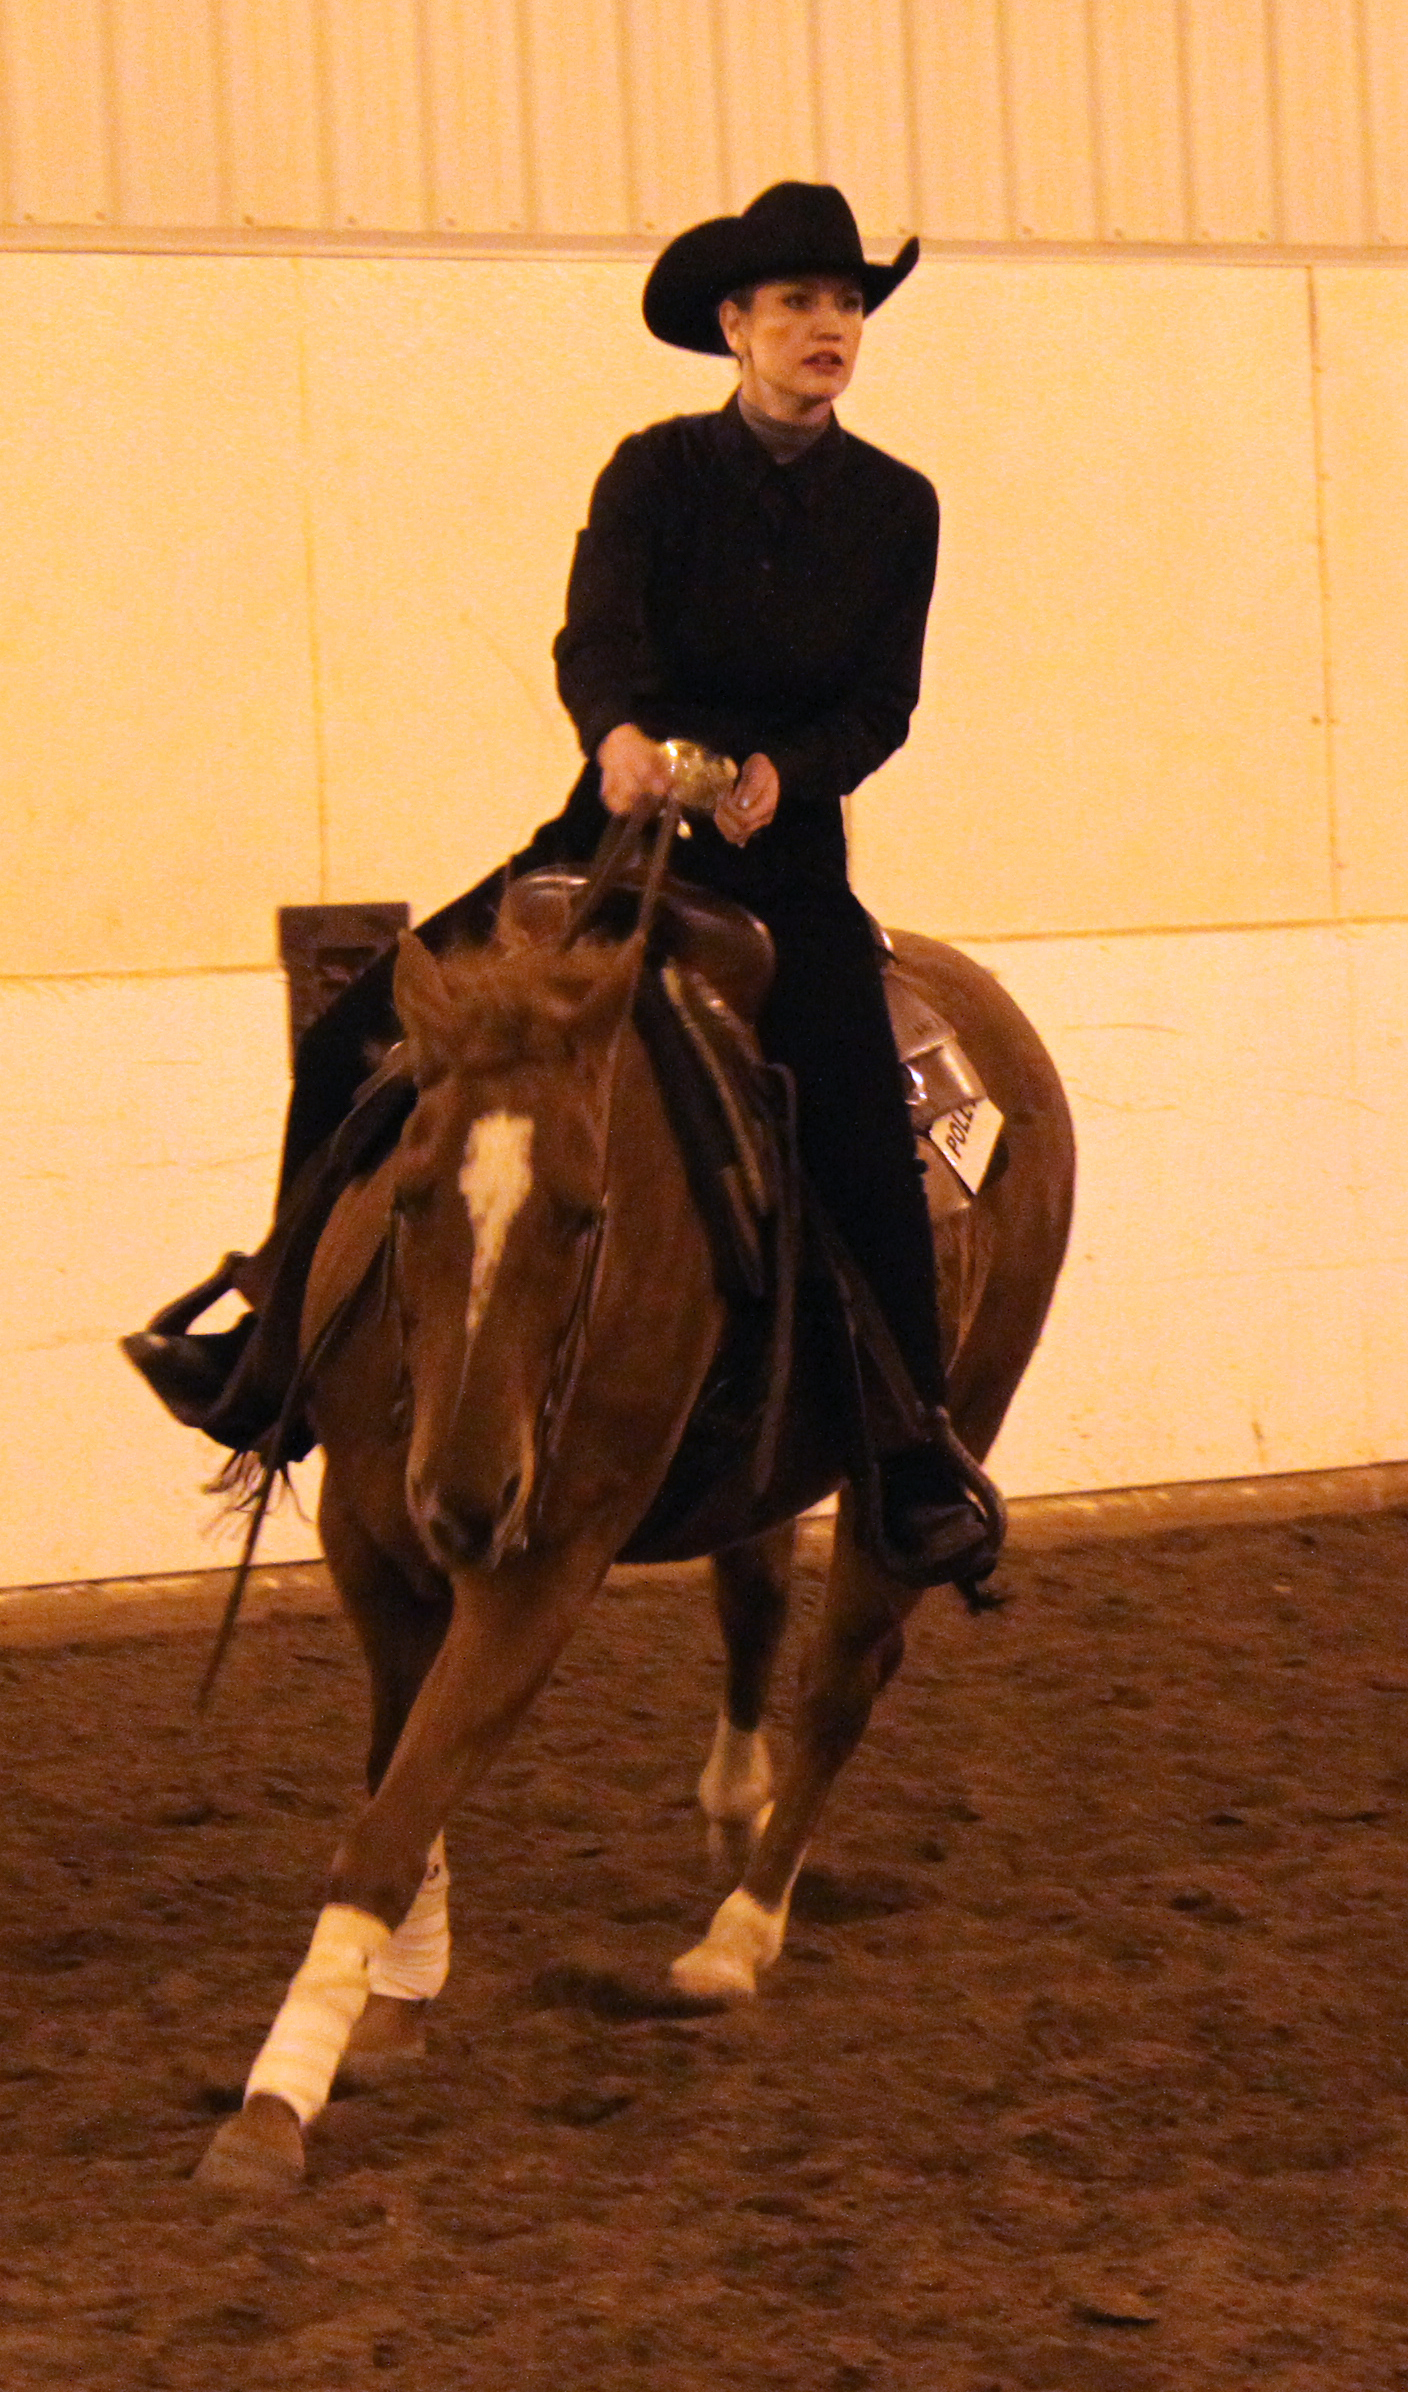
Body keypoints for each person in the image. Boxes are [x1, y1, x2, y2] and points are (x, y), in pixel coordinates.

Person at [131, 180, 1000, 1588]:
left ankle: (908, 1450)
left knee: (853, 1111)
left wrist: (790, 770)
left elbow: (882, 701)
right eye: (795, 302)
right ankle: (275, 1354)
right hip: (607, 833)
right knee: (355, 1031)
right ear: (735, 325)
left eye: (843, 301)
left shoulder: (898, 507)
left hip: (783, 861)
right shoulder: (651, 474)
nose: (825, 324)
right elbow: (592, 640)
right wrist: (615, 743)